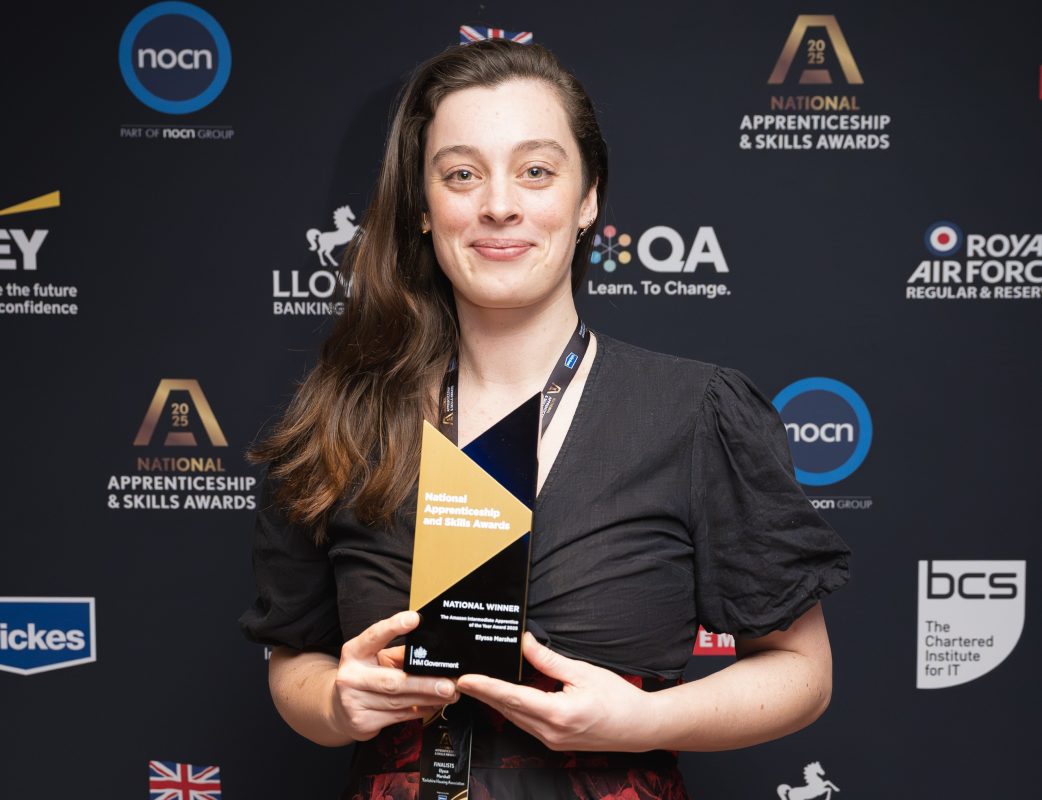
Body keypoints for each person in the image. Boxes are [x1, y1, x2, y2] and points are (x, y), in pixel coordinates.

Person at [241, 39, 850, 800]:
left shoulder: (694, 414)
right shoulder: (343, 420)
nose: (499, 204)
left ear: (588, 197)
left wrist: (643, 720)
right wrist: (337, 703)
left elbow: (803, 673)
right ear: (423, 208)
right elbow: (293, 660)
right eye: (462, 174)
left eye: (535, 171)